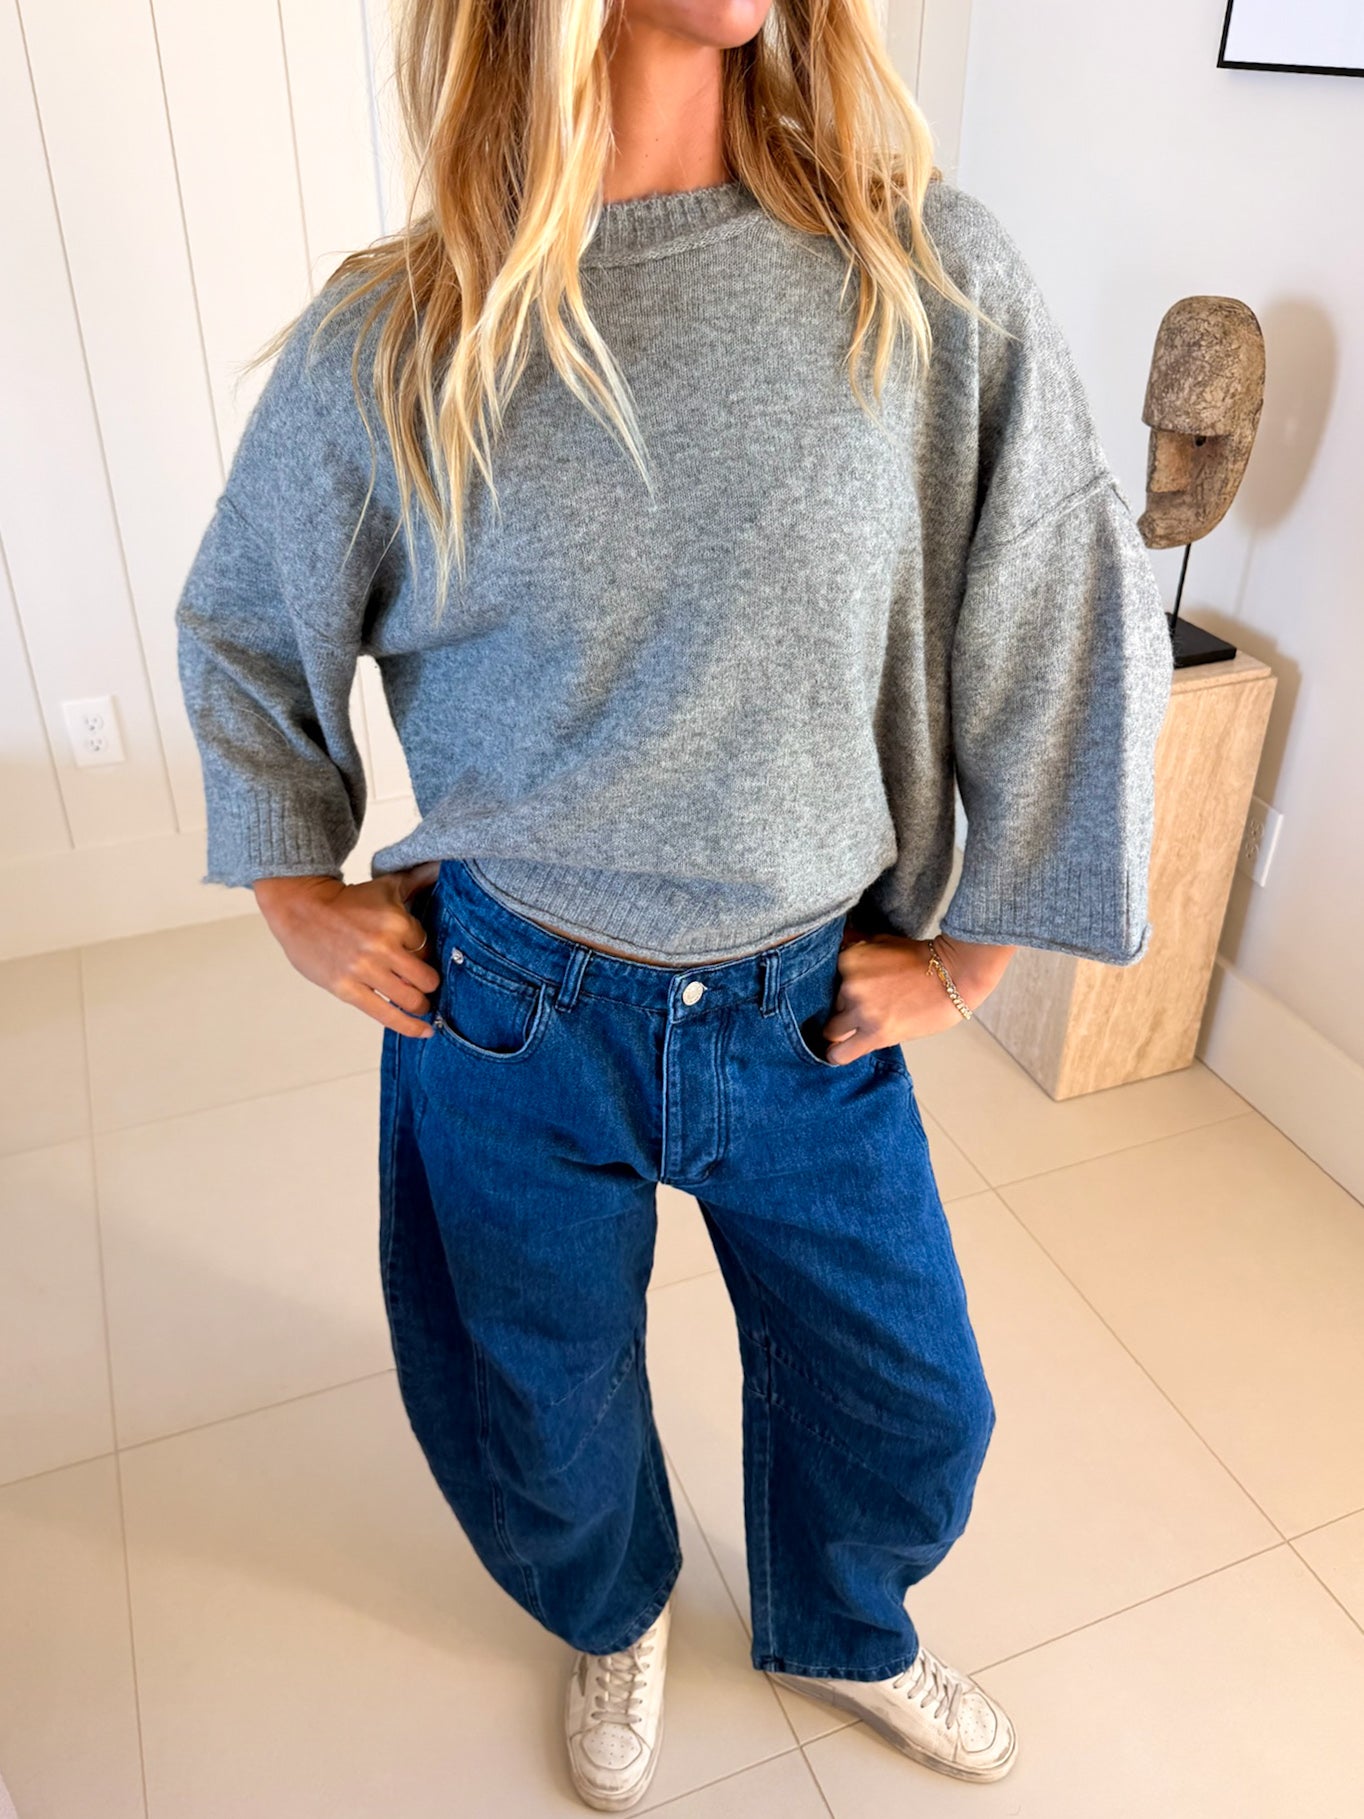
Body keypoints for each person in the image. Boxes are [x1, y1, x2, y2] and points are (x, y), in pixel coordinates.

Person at [173, 0, 1174, 1806]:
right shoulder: (400, 328)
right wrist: (291, 892)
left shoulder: (920, 279)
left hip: (801, 1012)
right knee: (538, 1396)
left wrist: (978, 951)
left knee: (911, 1401)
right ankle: (614, 1605)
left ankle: (844, 1627)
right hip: (507, 1008)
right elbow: (247, 615)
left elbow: (1055, 607)